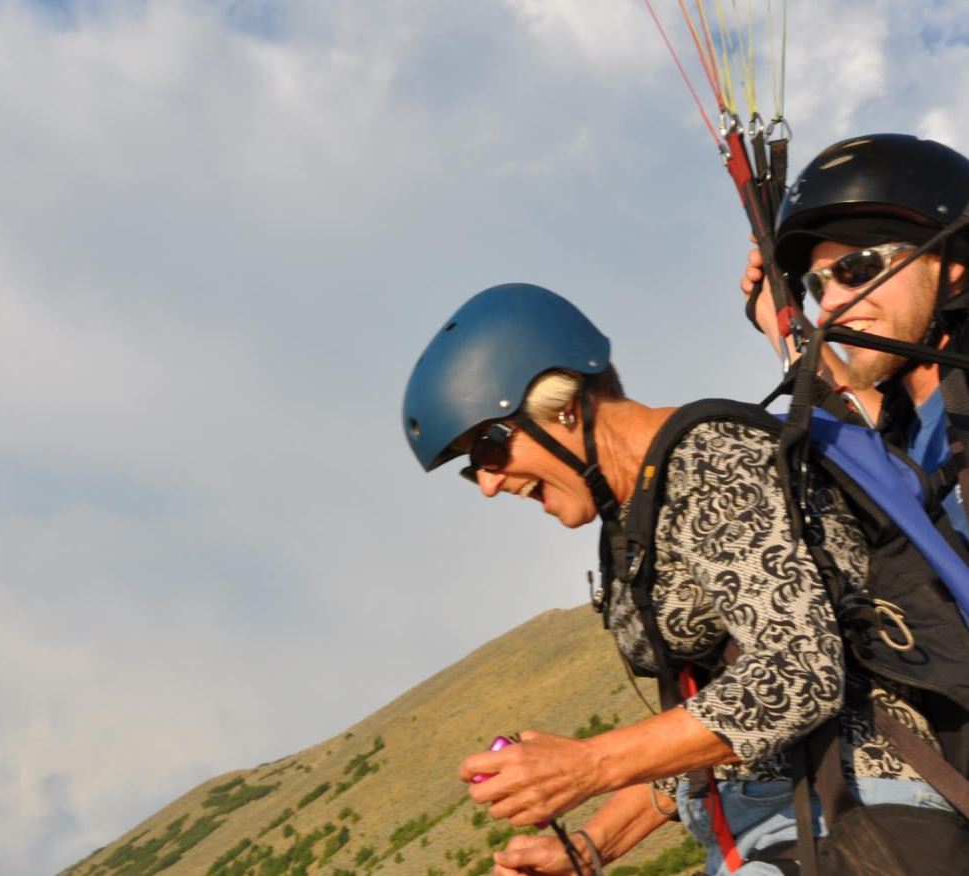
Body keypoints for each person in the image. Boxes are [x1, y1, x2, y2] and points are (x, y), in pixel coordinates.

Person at [402, 282, 956, 875]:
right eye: (471, 468)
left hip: (853, 814)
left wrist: (589, 764)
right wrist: (590, 849)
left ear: (563, 402)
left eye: (490, 446)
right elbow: (720, 717)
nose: (488, 482)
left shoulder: (714, 459)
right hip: (770, 836)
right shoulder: (633, 511)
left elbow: (799, 674)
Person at [740, 133, 969, 543]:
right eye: (817, 285)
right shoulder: (906, 425)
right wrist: (779, 318)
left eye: (857, 268)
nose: (827, 305)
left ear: (947, 263)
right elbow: (853, 408)